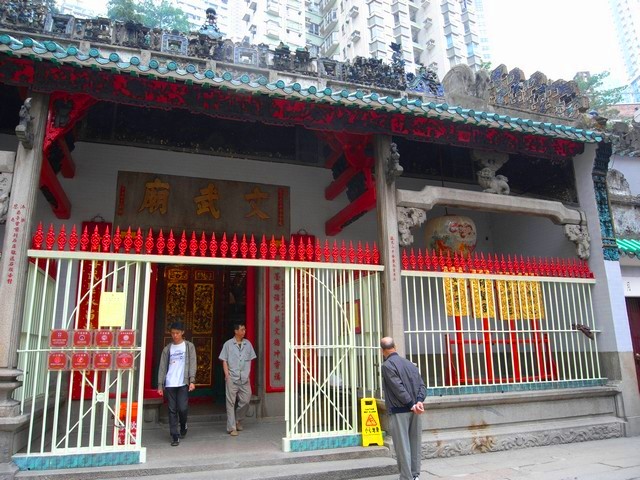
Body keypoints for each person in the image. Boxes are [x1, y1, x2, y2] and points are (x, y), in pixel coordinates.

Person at [380, 337, 426, 480]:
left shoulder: (387, 365)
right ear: (395, 346)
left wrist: (411, 404)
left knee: (402, 446)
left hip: (401, 409)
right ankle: (415, 475)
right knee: (415, 443)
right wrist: (419, 401)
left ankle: (407, 477)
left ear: (382, 351)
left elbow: (397, 388)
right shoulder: (410, 364)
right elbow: (422, 386)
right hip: (416, 410)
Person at [157, 321, 197, 446]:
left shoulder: (189, 346)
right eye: (173, 333)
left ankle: (183, 424)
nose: (175, 335)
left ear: (182, 333)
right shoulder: (167, 349)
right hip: (170, 383)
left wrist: (192, 380)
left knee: (182, 408)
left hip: (182, 382)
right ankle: (174, 435)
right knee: (171, 410)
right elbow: (162, 367)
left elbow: (192, 363)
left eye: (177, 333)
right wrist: (160, 385)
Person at [219, 322, 256, 436]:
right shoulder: (228, 344)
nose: (244, 331)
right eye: (242, 330)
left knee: (246, 400)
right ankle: (231, 428)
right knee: (230, 402)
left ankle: (238, 419)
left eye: (244, 329)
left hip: (244, 378)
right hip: (232, 377)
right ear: (236, 331)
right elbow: (224, 360)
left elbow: (250, 359)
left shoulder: (248, 344)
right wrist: (227, 375)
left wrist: (248, 373)